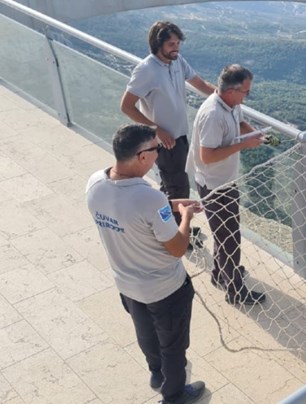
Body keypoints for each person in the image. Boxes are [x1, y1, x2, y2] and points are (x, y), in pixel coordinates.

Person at [85, 124, 206, 404]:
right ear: (142, 156)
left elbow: (133, 211)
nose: (159, 154)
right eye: (157, 149)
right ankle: (174, 395)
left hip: (127, 284)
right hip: (164, 289)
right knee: (173, 346)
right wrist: (185, 217)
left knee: (146, 334)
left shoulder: (95, 183)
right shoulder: (148, 198)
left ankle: (156, 373)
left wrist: (170, 206)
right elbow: (177, 248)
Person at [120, 21, 216, 230]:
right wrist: (157, 130)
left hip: (180, 134)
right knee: (178, 187)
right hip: (165, 140)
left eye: (178, 43)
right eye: (171, 44)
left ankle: (166, 225)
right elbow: (126, 106)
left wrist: (224, 96)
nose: (176, 48)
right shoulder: (146, 70)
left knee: (169, 184)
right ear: (158, 44)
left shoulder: (177, 61)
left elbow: (200, 84)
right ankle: (179, 232)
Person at [186, 64, 266, 306]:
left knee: (225, 234)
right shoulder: (213, 114)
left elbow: (241, 124)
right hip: (214, 185)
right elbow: (208, 155)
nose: (247, 97)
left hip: (226, 180)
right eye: (245, 92)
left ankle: (220, 274)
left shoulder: (231, 105)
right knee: (230, 237)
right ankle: (236, 292)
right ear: (231, 90)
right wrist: (244, 145)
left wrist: (256, 135)